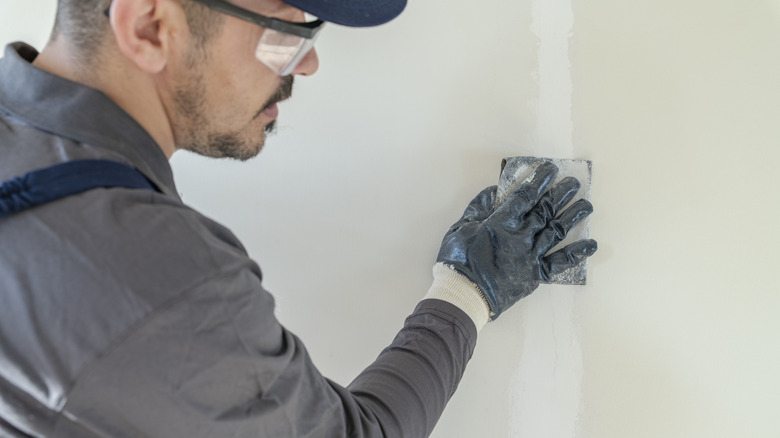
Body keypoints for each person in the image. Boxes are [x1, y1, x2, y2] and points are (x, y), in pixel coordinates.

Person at [0, 0, 597, 436]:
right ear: (151, 26)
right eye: (286, 30)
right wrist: (467, 291)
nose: (306, 66)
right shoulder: (159, 278)